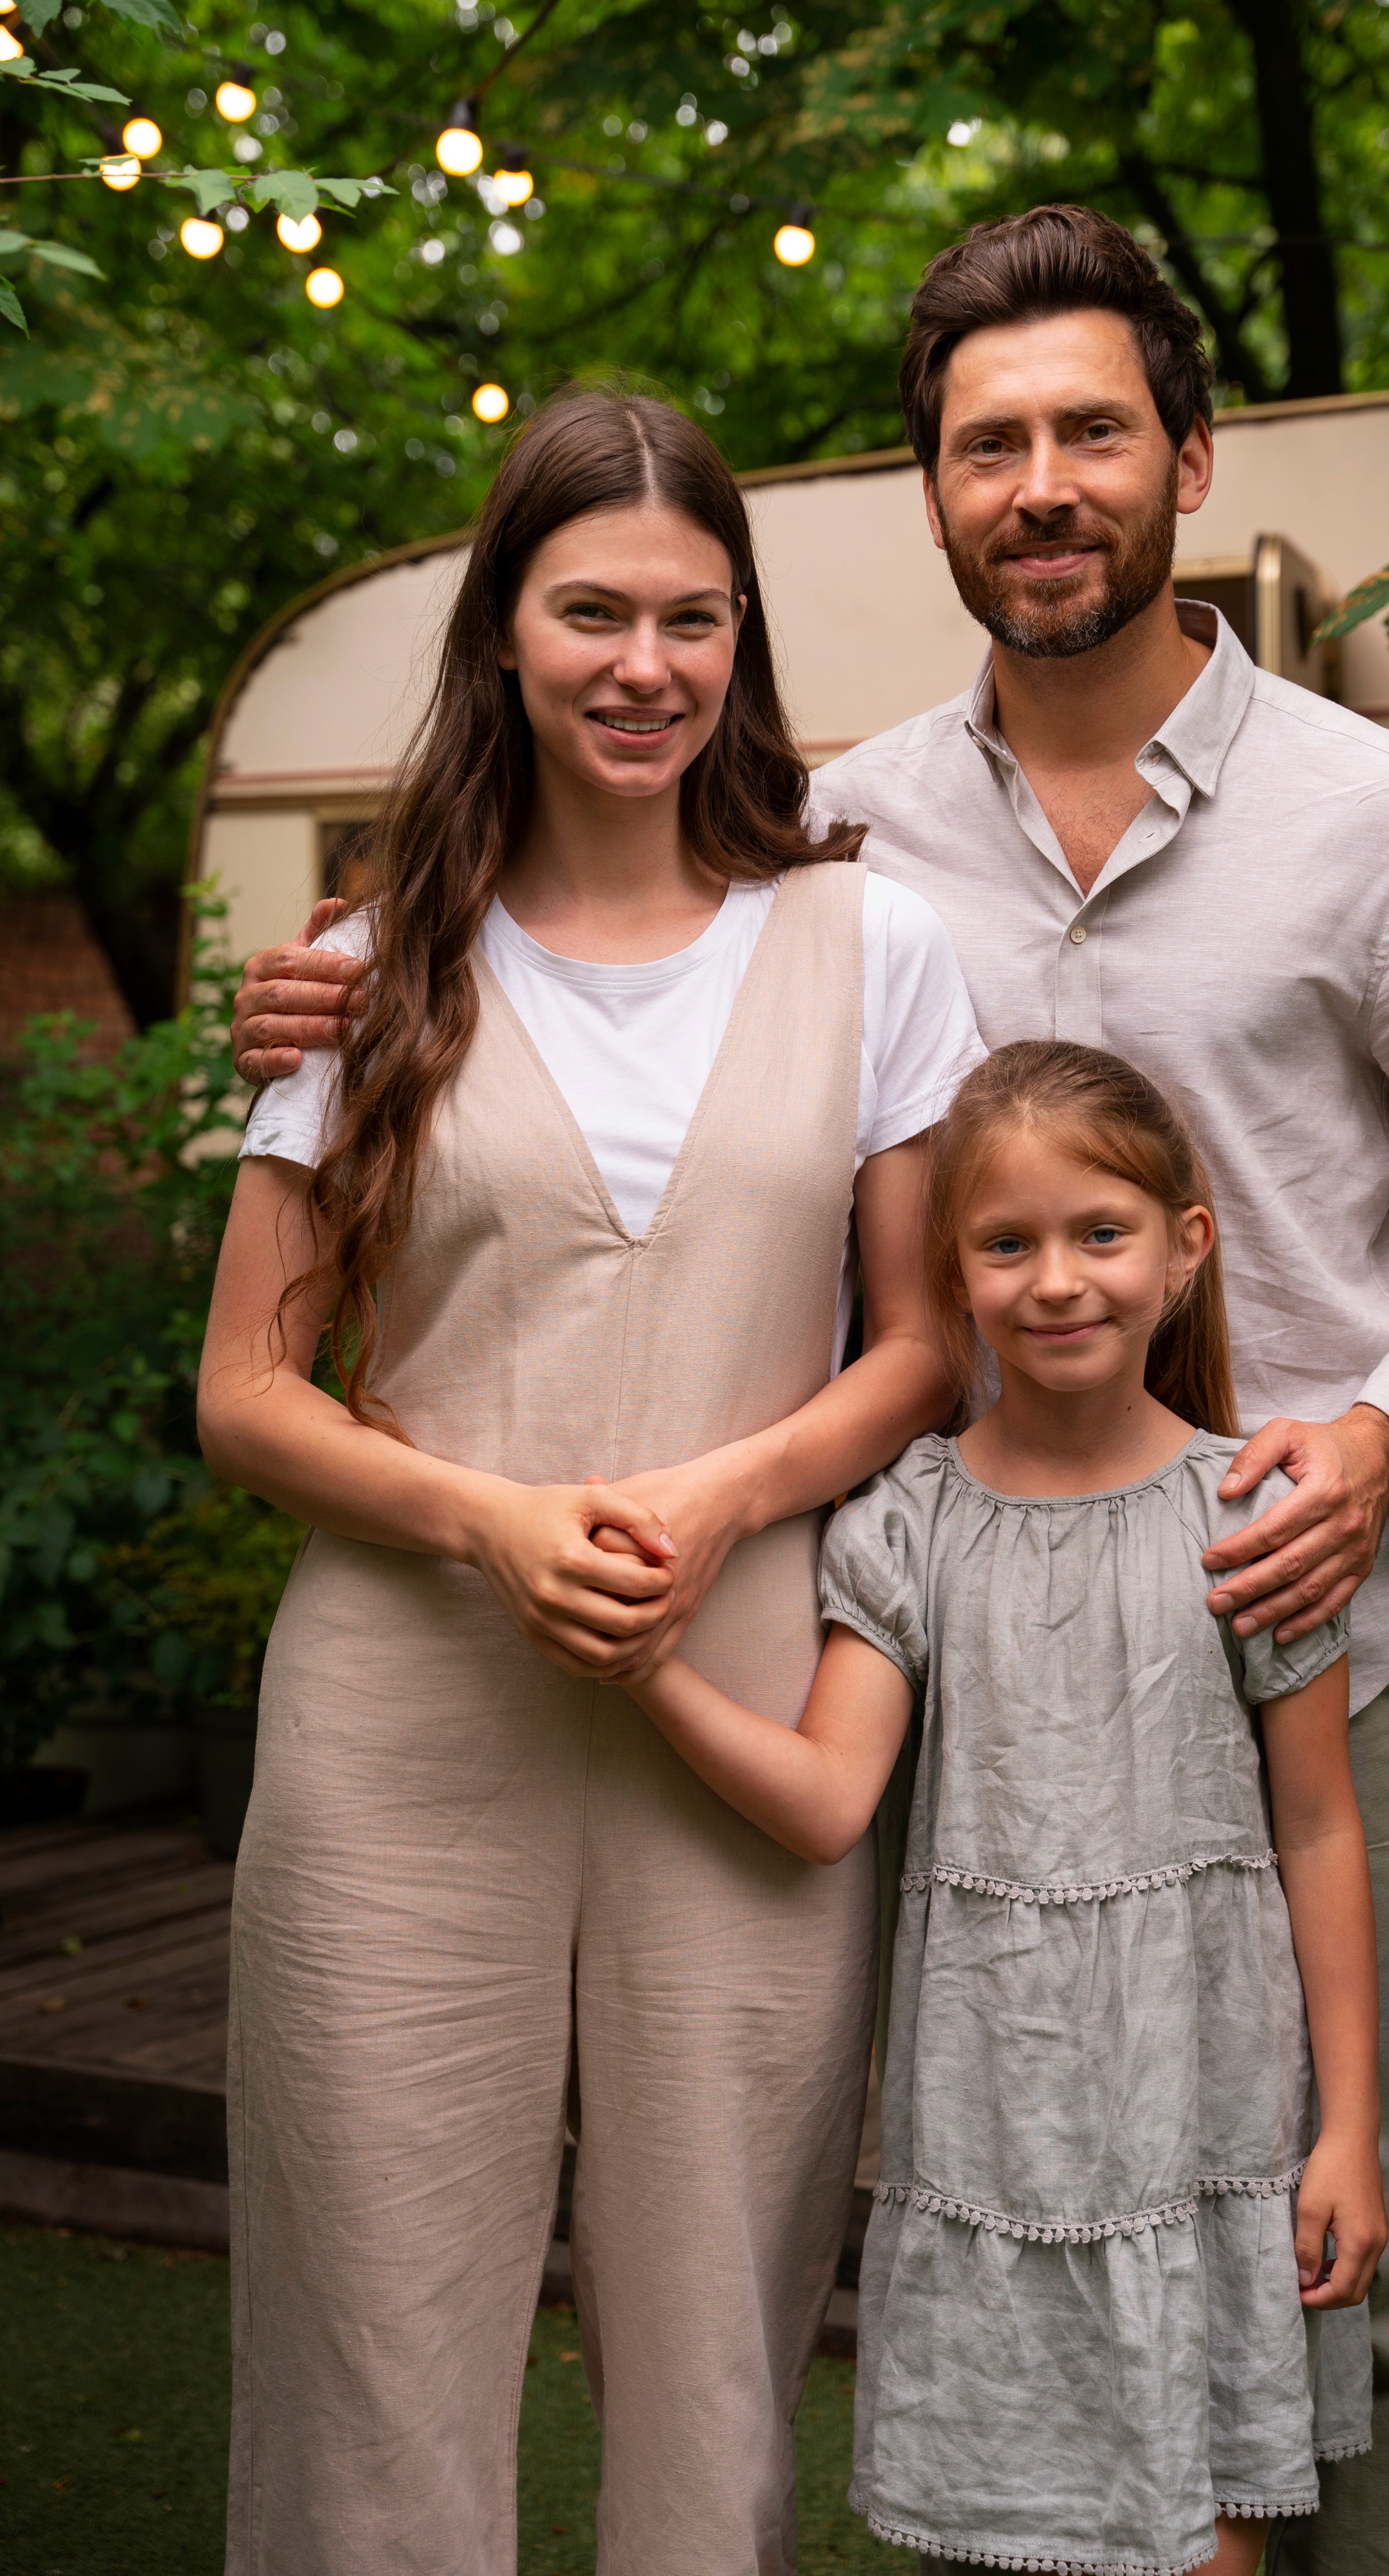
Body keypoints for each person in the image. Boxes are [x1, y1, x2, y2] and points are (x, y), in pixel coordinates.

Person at [227, 209, 1389, 2576]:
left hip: (1284, 1623)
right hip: (945, 1650)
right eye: (991, 446)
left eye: (1093, 431)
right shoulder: (845, 836)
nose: (1043, 484)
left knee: (1339, 2269)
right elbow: (604, 1027)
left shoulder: (1386, 822)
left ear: (1187, 458)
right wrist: (318, 1004)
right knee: (995, 2208)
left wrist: (1383, 1436)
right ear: (934, 497)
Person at [197, 385, 985, 2576]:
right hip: (398, 1721)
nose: (645, 664)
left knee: (717, 2346)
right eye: (591, 613)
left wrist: (719, 1502)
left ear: (740, 640)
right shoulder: (364, 971)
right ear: (501, 634)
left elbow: (923, 1344)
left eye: (691, 617)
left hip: (738, 1706)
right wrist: (487, 1516)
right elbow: (247, 1388)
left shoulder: (872, 942)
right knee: (371, 2340)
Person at [617, 1040, 1388, 2576]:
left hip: (1206, 2118)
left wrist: (1350, 2130)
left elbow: (1318, 1828)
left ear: (1184, 1244)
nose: (1057, 1280)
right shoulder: (907, 1520)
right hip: (994, 2125)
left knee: (1207, 2550)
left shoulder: (1255, 1515)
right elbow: (827, 1796)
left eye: (1100, 1231)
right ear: (950, 1274)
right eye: (1006, 1243)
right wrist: (646, 1671)